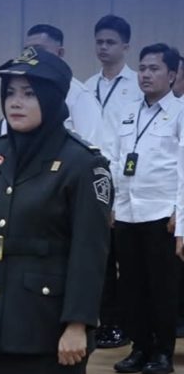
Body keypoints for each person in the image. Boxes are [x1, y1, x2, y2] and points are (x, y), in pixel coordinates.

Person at [0, 47, 112, 374]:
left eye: (29, 94)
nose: (16, 102)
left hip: (46, 325)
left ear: (52, 98)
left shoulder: (83, 163)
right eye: (10, 92)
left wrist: (78, 324)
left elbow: (89, 253)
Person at [109, 44, 182, 374]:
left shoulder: (180, 113)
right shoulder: (127, 111)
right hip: (127, 212)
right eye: (142, 68)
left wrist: (180, 214)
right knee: (131, 286)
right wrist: (112, 203)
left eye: (154, 69)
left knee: (162, 288)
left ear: (172, 75)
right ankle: (139, 349)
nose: (146, 74)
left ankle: (162, 353)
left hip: (162, 215)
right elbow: (115, 160)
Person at [85, 14, 140, 349]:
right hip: (92, 181)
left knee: (128, 261)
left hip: (126, 182)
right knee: (99, 259)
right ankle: (105, 321)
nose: (103, 48)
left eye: (111, 42)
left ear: (126, 46)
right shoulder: (87, 86)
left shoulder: (137, 85)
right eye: (99, 42)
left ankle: (126, 323)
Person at [0, 24, 101, 146]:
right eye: (27, 51)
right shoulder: (17, 92)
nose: (32, 56)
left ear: (60, 53)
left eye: (39, 50)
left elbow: (92, 143)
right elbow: (6, 138)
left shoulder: (79, 95)